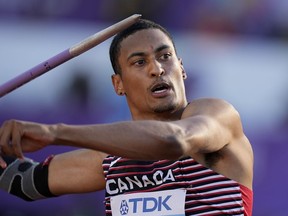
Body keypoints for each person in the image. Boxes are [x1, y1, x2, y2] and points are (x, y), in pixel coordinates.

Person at [0, 19, 253, 215]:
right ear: (118, 84)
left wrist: (55, 132)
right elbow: (22, 180)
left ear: (182, 67)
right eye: (140, 62)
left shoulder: (218, 116)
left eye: (165, 56)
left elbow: (173, 141)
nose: (157, 69)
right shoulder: (112, 160)